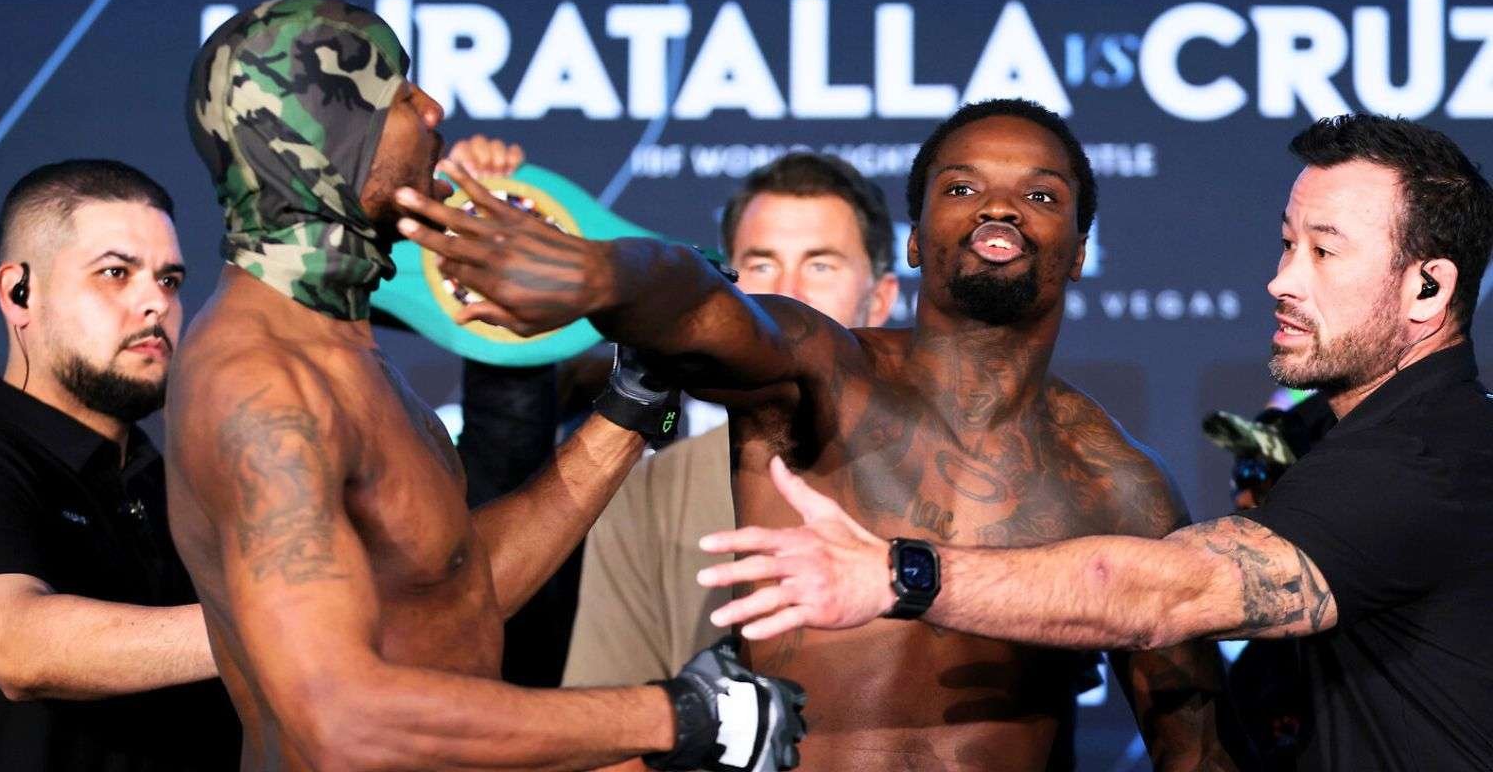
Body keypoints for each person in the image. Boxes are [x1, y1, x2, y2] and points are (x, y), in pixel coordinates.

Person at [397, 99, 1239, 770]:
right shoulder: (826, 378)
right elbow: (703, 302)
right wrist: (597, 272)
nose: (999, 207)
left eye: (1042, 195)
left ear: (1081, 250)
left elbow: (1195, 746)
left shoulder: (1120, 486)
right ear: (915, 241)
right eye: (960, 188)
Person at [693, 115, 1493, 771]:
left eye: (1323, 251)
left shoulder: (1428, 458)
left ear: (1428, 287)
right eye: (1287, 244)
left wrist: (897, 573)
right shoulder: (1345, 444)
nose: (1281, 280)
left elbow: (1168, 592)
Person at [168, 0, 804, 772]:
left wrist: (630, 407)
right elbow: (341, 720)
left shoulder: (335, 349)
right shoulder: (263, 386)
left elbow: (454, 597)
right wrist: (679, 717)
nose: (433, 108)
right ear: (325, 142)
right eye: (400, 94)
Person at [563, 153, 900, 692]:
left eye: (820, 266)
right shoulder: (648, 492)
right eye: (762, 266)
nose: (789, 294)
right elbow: (606, 713)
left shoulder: (955, 474)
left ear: (880, 299)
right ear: (727, 294)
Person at [0, 160, 239, 770]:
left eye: (169, 280)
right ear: (19, 292)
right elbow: (11, 643)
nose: (156, 302)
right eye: (116, 273)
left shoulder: (178, 486)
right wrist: (276, 628)